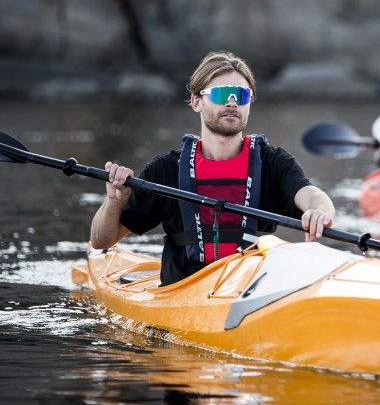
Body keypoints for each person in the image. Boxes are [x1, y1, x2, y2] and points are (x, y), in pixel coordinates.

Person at [90, 51, 335, 285]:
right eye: (222, 94)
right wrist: (114, 201)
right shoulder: (166, 170)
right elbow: (101, 241)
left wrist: (319, 212)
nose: (232, 103)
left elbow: (312, 196)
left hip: (246, 288)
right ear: (197, 102)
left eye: (241, 95)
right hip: (182, 293)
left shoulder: (273, 163)